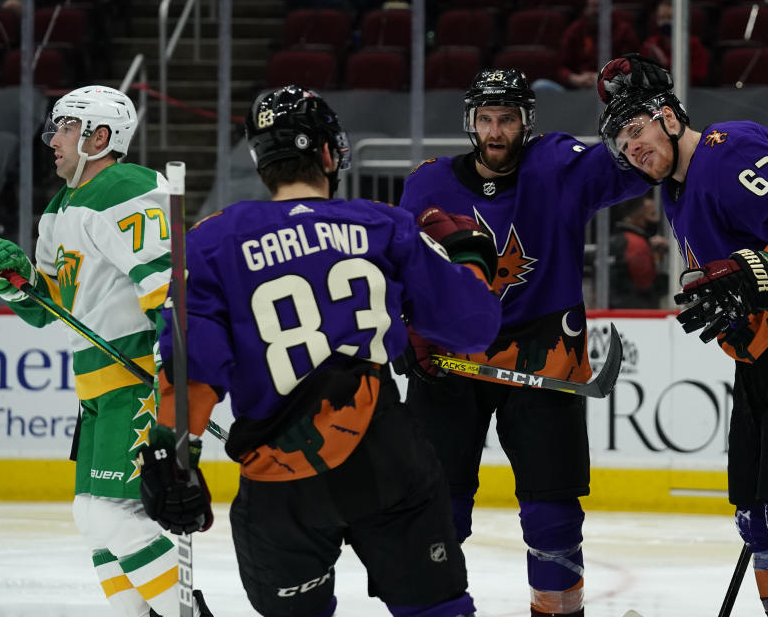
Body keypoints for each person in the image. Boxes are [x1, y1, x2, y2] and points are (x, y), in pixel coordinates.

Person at [135, 84, 501, 617]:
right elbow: (471, 328)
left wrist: (172, 461)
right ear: (329, 153)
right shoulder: (383, 224)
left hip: (281, 478)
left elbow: (194, 372)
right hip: (386, 458)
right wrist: (472, 261)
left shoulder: (211, 241)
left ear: (263, 162)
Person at [596, 53, 768, 616]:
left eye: (636, 129)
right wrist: (736, 303)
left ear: (670, 117)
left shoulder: (731, 148)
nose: (633, 149)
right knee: (759, 522)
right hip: (767, 354)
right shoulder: (677, 192)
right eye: (622, 144)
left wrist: (757, 273)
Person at [398, 67, 647, 617]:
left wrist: (645, 112)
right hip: (450, 358)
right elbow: (399, 267)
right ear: (470, 122)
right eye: (485, 119)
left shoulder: (559, 164)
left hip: (546, 353)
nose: (494, 131)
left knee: (553, 513)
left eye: (506, 119)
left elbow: (640, 165)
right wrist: (402, 328)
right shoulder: (426, 183)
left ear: (526, 123)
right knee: (436, 508)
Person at [0, 85, 208, 616]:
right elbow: (48, 309)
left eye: (63, 127)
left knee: (111, 514)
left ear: (99, 136)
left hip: (137, 383)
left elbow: (171, 289)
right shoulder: (58, 209)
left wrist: (175, 378)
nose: (52, 141)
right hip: (97, 391)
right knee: (94, 516)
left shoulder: (127, 189)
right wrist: (14, 282)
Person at [556, 0, 639, 90]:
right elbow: (561, 67)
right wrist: (575, 78)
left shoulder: (624, 31)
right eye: (592, 6)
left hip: (612, 88)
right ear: (585, 9)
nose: (596, 11)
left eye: (600, 6)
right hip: (579, 87)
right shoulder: (575, 30)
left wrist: (604, 76)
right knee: (541, 86)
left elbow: (632, 65)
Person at [609, 191, 669, 309]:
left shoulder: (620, 238)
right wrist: (668, 282)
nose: (657, 219)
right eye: (652, 214)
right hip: (633, 309)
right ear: (638, 217)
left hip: (618, 307)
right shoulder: (636, 243)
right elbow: (645, 283)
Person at [639, 0, 710, 87]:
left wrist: (666, 62)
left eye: (670, 17)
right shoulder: (650, 44)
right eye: (661, 18)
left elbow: (697, 78)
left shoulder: (694, 45)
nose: (665, 22)